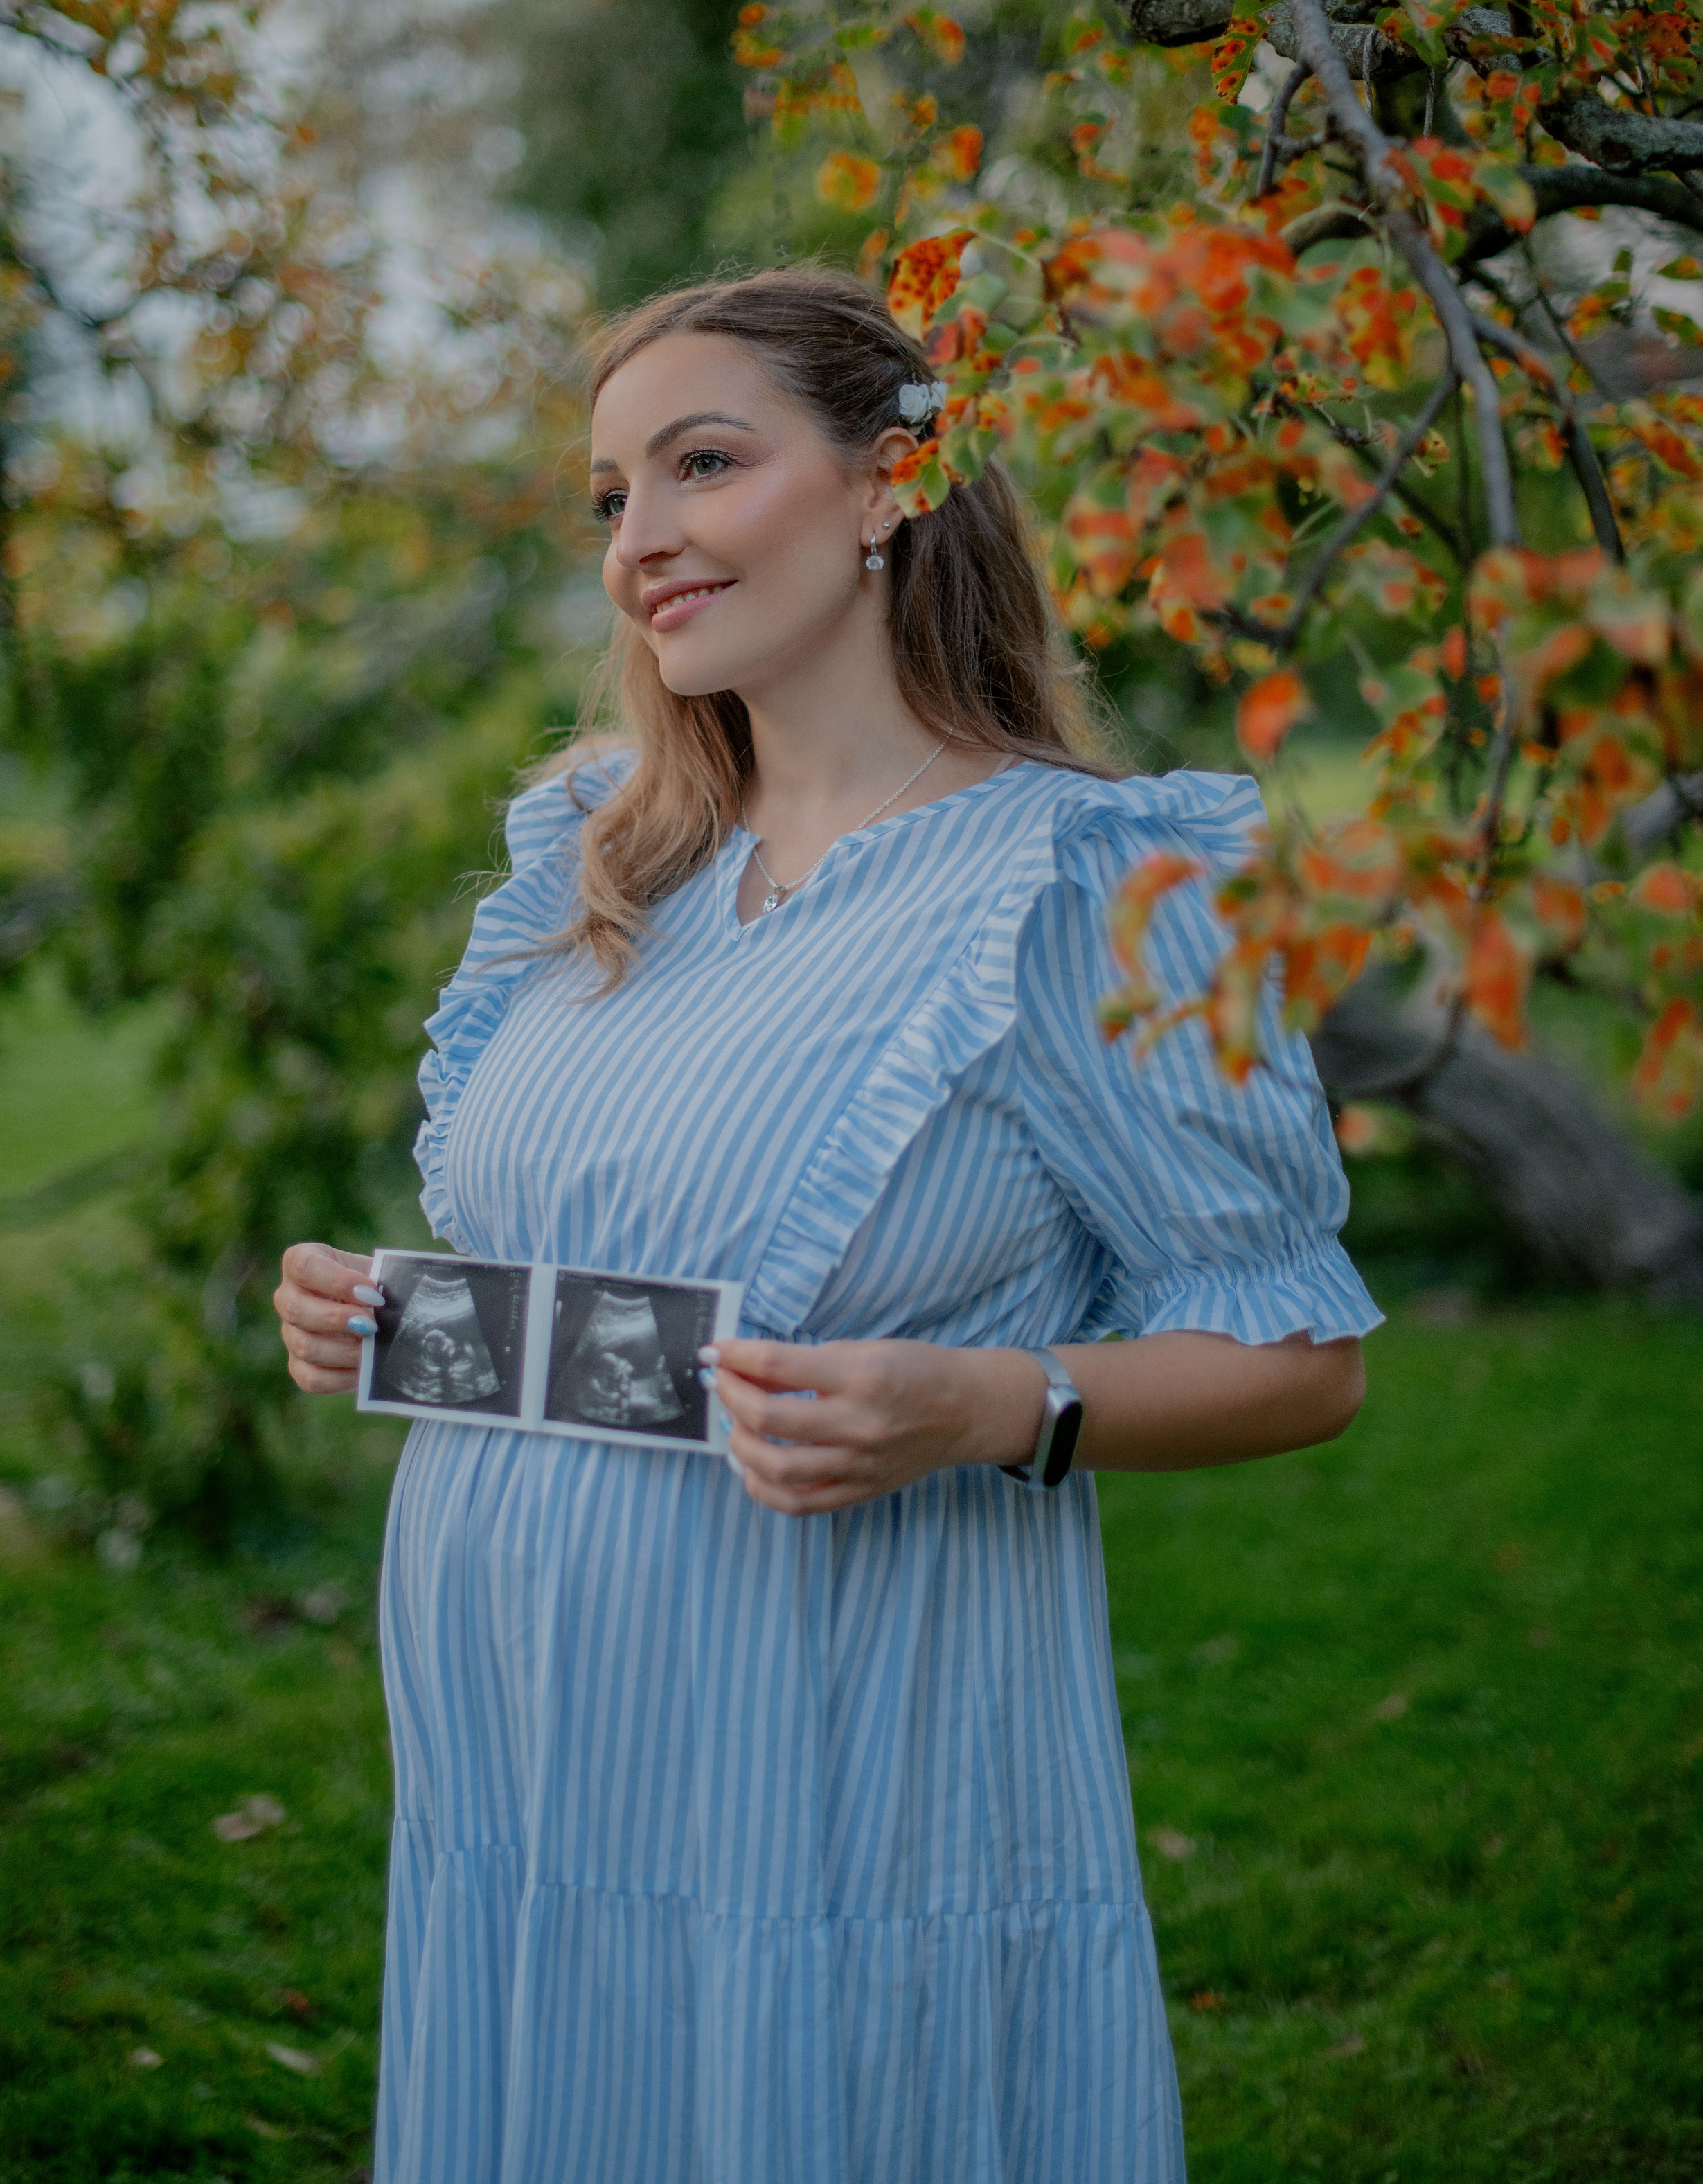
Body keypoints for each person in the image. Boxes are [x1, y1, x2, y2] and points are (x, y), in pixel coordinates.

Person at [272, 265, 1380, 2184]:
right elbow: (635, 1284)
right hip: (527, 1764)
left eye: (704, 463)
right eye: (612, 497)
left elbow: (1301, 1359)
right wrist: (404, 1318)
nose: (646, 540)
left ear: (889, 482)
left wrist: (988, 1404)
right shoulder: (613, 857)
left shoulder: (1088, 885)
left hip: (833, 1750)